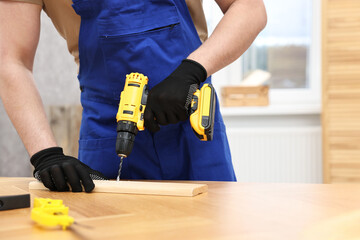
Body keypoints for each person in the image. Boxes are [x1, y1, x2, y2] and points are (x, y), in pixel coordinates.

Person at [0, 0, 267, 192]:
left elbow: (249, 7)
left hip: (191, 124)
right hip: (108, 130)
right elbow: (11, 61)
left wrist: (192, 71)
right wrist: (45, 154)